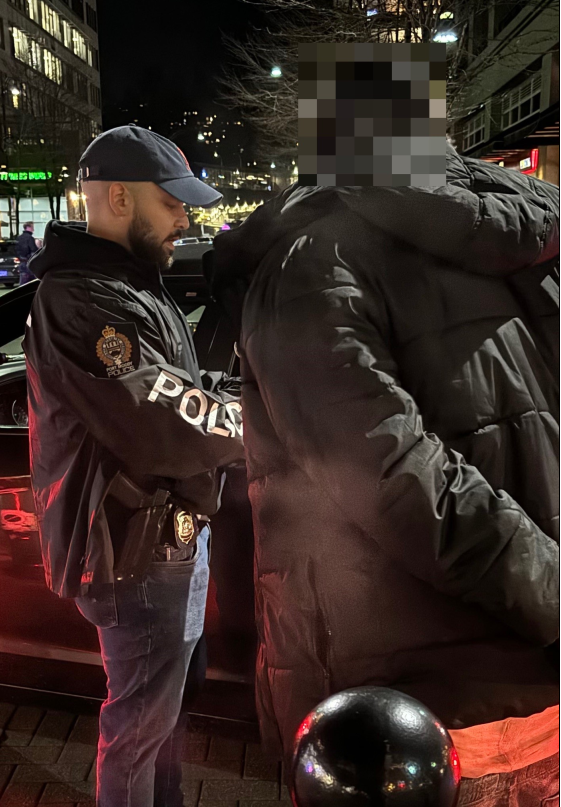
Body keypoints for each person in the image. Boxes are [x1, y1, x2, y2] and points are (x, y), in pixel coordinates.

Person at [211, 141, 559, 804]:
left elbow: (400, 481)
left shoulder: (312, 262)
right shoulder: (537, 237)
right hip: (533, 696)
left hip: (413, 720)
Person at [24, 125, 245, 807]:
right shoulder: (84, 298)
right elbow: (163, 421)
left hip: (163, 541)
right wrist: (263, 422)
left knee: (162, 717)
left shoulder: (128, 285)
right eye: (171, 202)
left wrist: (241, 395)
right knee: (138, 729)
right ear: (119, 197)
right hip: (135, 549)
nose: (185, 218)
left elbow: (183, 384)